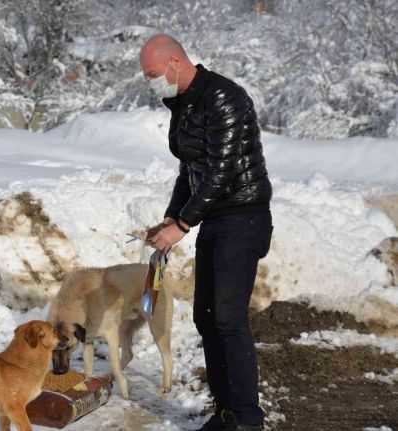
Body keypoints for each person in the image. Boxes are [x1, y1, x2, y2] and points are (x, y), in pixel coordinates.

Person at [139, 34, 274, 431]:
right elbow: (190, 169)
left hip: (243, 217)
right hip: (215, 218)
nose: (150, 83)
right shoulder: (183, 104)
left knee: (229, 318)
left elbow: (222, 169)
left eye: (152, 74)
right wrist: (172, 216)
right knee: (207, 317)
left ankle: (247, 420)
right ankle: (225, 412)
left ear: (175, 63)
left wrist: (183, 225)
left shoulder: (224, 98)